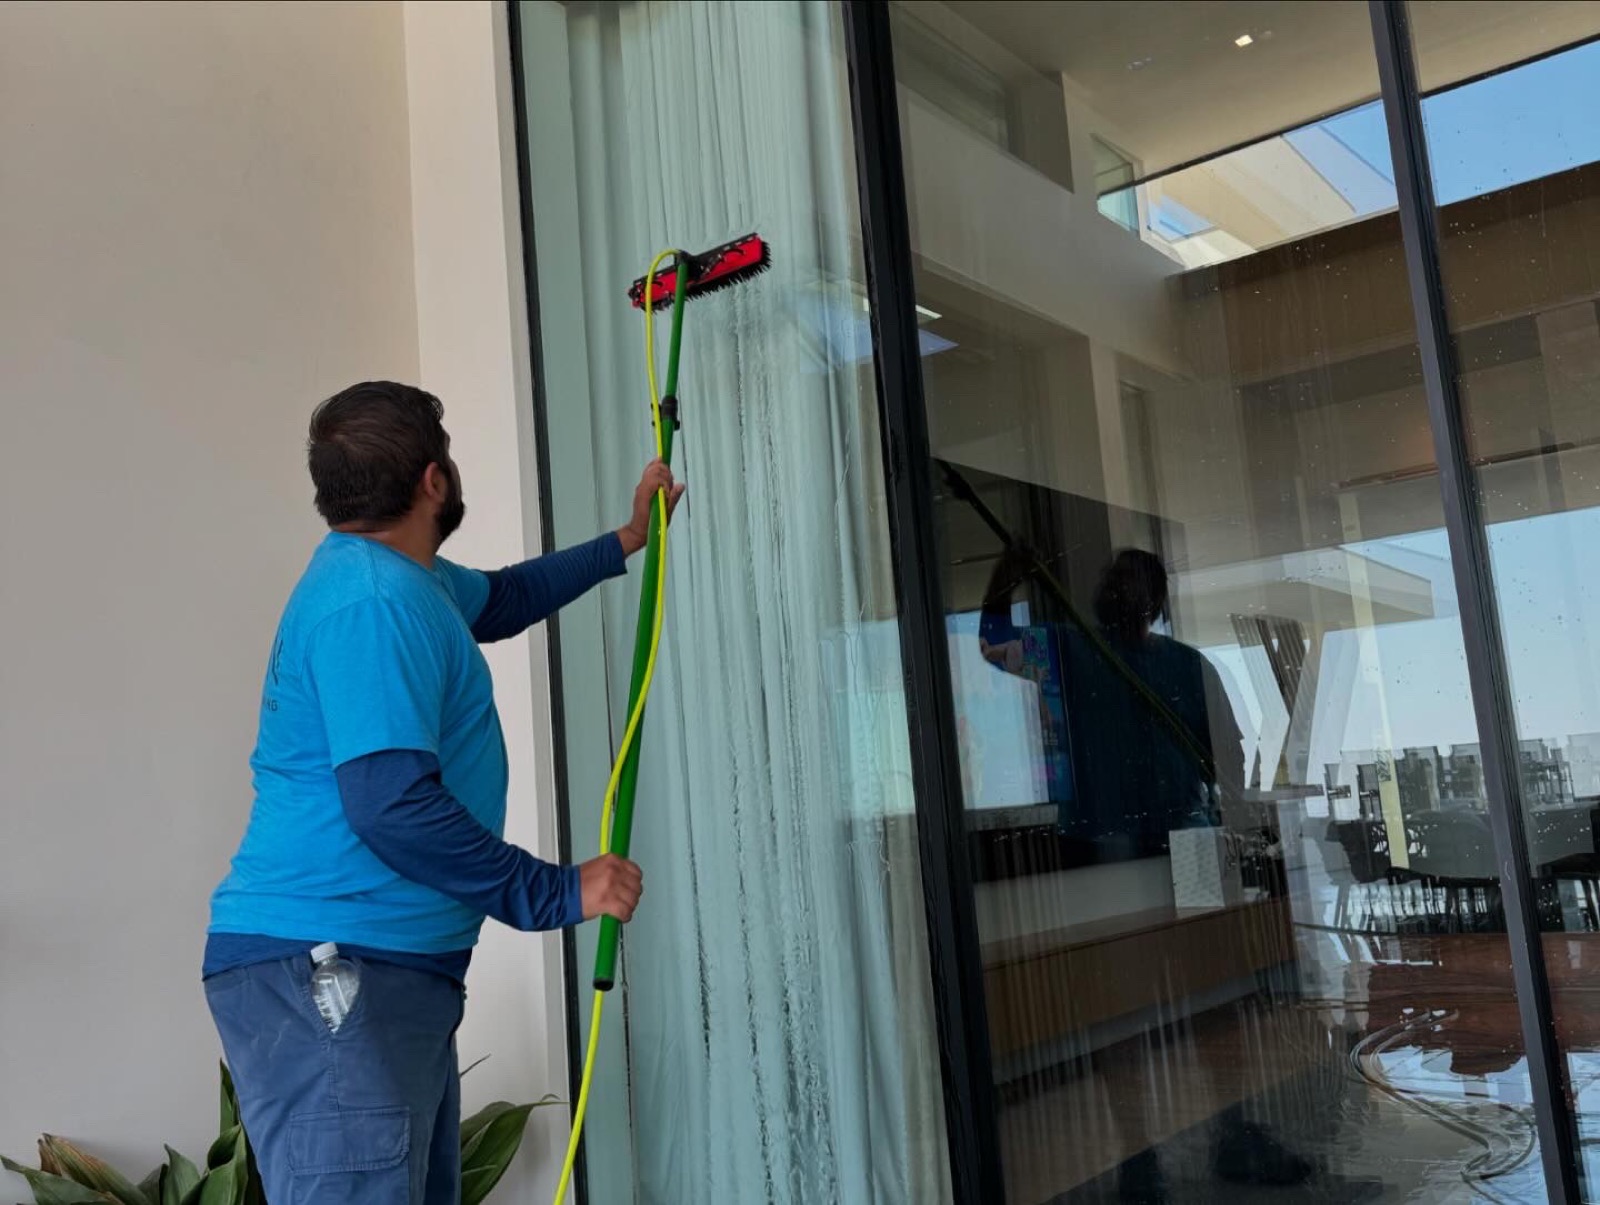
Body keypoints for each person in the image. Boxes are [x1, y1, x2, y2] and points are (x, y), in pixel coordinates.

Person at [201, 381, 681, 1205]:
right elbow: (390, 805)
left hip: (375, 970)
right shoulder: (372, 604)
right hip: (333, 971)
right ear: (435, 480)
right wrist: (556, 891)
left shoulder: (403, 579)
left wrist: (629, 538)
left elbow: (505, 598)